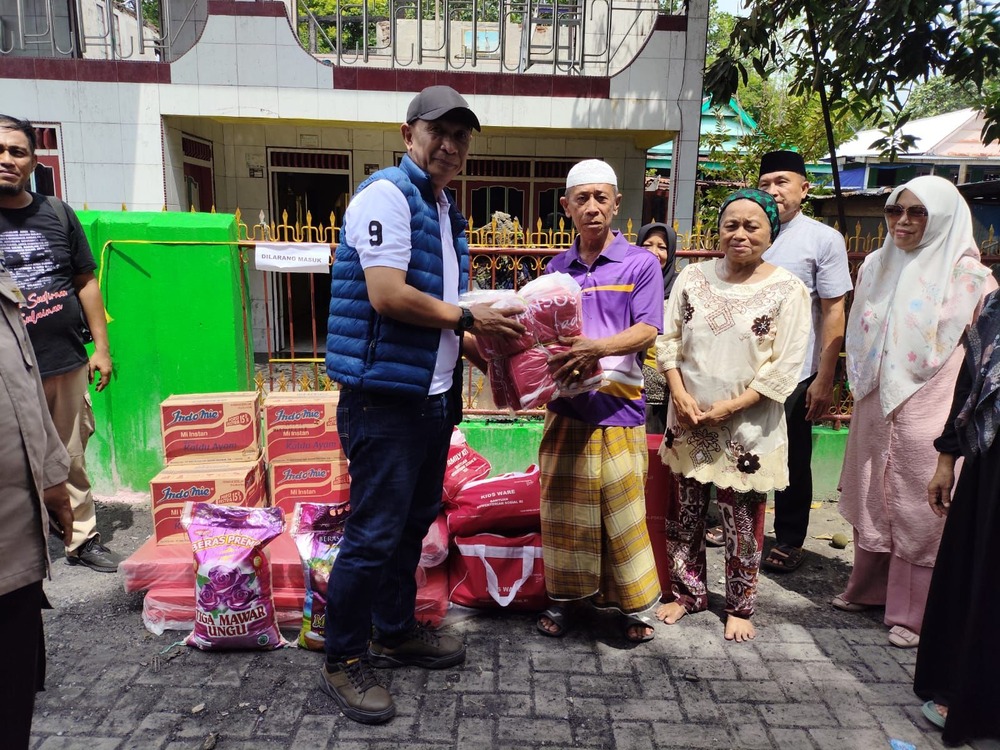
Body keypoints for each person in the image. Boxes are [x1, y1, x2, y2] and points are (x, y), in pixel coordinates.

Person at [323, 86, 524, 725]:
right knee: (374, 533)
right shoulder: (386, 195)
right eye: (439, 131)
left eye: (461, 136)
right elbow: (387, 295)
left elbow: (443, 319)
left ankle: (393, 627)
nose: (450, 145)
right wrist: (472, 315)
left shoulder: (443, 209)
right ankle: (344, 657)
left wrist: (498, 361)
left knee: (411, 526)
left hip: (431, 402)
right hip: (383, 401)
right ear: (409, 132)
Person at [835, 175, 995, 649]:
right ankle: (867, 589)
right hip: (874, 400)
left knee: (921, 503)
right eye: (895, 211)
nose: (903, 221)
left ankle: (915, 611)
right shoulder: (876, 265)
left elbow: (987, 355)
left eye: (918, 212)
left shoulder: (971, 279)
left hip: (933, 402)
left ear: (944, 216)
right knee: (872, 490)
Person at [655, 188, 810, 642]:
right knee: (684, 512)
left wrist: (730, 406)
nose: (740, 234)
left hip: (746, 427)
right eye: (731, 225)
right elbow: (669, 340)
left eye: (752, 226)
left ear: (770, 233)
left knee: (741, 520)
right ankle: (688, 594)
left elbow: (786, 366)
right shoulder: (691, 277)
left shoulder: (787, 289)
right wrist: (679, 395)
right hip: (687, 418)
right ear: (718, 230)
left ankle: (740, 604)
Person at [534, 159, 664, 644]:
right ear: (566, 207)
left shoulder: (640, 264)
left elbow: (647, 329)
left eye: (601, 198)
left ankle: (627, 607)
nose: (592, 207)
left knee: (621, 512)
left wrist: (595, 349)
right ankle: (567, 603)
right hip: (566, 409)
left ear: (616, 204)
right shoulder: (555, 269)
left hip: (619, 409)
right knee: (566, 511)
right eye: (581, 198)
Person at [0, 115, 120, 574]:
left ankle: (80, 538)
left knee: (69, 455)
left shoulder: (57, 214)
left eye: (17, 151)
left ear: (32, 161)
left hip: (63, 360)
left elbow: (85, 282)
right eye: (0, 150)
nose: (7, 160)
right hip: (6, 371)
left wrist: (101, 349)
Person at [736, 150, 852, 570]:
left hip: (796, 371)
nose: (772, 191)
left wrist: (825, 376)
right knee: (740, 447)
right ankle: (738, 524)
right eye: (764, 183)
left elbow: (835, 309)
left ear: (804, 188)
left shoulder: (823, 239)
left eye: (781, 182)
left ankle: (788, 537)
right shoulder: (747, 232)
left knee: (789, 455)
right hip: (743, 369)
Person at [915, 288, 1000, 746]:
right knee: (984, 581)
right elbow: (969, 385)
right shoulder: (995, 307)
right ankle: (976, 701)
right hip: (991, 470)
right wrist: (946, 459)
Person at [0, 253, 74, 749]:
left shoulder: (3, 284)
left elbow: (24, 388)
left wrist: (52, 480)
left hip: (16, 544)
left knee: (14, 694)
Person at [636, 222, 678, 434]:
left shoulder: (680, 288)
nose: (654, 253)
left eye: (662, 247)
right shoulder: (630, 283)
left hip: (671, 387)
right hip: (632, 384)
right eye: (647, 245)